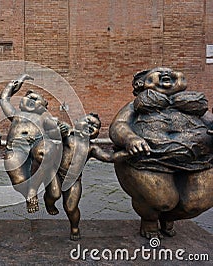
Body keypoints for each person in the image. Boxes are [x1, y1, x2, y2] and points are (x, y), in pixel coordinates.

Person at [110, 67, 213, 239]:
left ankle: (168, 217)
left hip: (198, 161)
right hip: (149, 160)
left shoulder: (194, 105)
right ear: (141, 84)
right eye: (158, 72)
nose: (167, 73)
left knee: (196, 203)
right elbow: (119, 125)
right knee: (162, 200)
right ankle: (150, 219)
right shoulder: (136, 105)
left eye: (173, 72)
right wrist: (130, 139)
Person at [44, 113, 127, 240]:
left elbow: (108, 157)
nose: (90, 126)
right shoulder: (67, 136)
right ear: (77, 121)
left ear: (97, 133)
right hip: (56, 173)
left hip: (74, 180)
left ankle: (75, 227)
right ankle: (49, 203)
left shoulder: (91, 148)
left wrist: (127, 153)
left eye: (95, 126)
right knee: (54, 194)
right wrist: (58, 129)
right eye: (87, 122)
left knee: (71, 208)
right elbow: (51, 127)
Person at [0, 74, 62, 213]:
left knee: (55, 194)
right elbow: (4, 99)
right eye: (28, 97)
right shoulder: (16, 114)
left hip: (38, 144)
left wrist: (60, 128)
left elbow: (55, 131)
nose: (31, 100)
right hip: (16, 148)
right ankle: (28, 193)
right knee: (18, 181)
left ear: (44, 105)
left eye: (36, 99)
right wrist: (15, 83)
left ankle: (34, 191)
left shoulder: (44, 116)